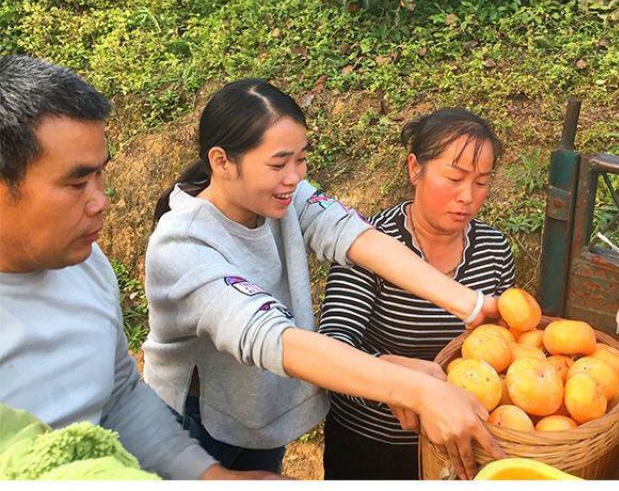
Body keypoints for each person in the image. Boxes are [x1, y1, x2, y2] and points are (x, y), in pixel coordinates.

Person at [143, 80, 505, 481]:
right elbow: (271, 337)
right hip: (193, 427)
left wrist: (470, 304)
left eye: (301, 159)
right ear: (222, 161)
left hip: (257, 411)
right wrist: (419, 390)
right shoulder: (182, 246)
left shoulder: (285, 195)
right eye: (279, 164)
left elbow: (356, 236)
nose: (295, 176)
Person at [0, 54, 276, 481]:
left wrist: (209, 477)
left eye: (100, 176)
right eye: (76, 184)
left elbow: (120, 397)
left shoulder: (86, 266)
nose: (101, 201)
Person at [319, 108, 515, 480]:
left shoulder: (493, 249)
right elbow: (334, 343)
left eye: (482, 182)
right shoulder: (368, 243)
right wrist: (394, 376)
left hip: (457, 447)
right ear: (415, 168)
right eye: (454, 178)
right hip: (372, 444)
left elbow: (500, 346)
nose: (467, 196)